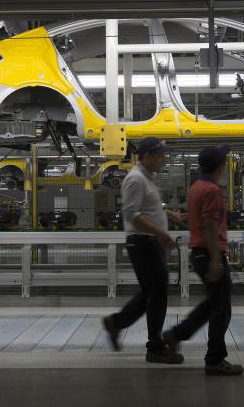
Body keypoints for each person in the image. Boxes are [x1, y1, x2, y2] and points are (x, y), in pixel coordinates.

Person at [102, 137, 186, 364]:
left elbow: (149, 206)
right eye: (160, 155)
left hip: (149, 243)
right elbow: (131, 214)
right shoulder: (136, 179)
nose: (163, 159)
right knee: (157, 295)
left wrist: (169, 214)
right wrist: (160, 232)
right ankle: (154, 348)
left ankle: (116, 322)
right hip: (144, 243)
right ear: (147, 155)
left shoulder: (148, 178)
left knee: (151, 293)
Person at [162, 145, 243, 376]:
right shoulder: (212, 191)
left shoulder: (196, 187)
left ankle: (176, 334)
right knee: (222, 310)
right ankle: (214, 360)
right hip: (209, 253)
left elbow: (200, 218)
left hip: (199, 253)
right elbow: (209, 225)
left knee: (212, 305)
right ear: (219, 167)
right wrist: (216, 259)